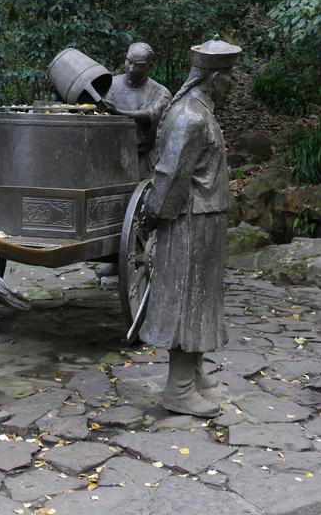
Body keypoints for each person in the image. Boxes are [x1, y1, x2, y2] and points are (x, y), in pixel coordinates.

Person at [139, 35, 241, 418]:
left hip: (205, 219)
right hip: (189, 222)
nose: (230, 83)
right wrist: (155, 217)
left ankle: (193, 372)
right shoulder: (191, 116)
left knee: (201, 296)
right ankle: (178, 388)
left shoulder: (200, 112)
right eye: (228, 76)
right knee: (186, 298)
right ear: (212, 78)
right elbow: (169, 176)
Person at [95, 42, 170, 278]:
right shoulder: (111, 85)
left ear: (148, 66)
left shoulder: (160, 92)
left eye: (137, 65)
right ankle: (113, 258)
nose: (130, 67)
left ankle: (140, 258)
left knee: (142, 209)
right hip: (113, 157)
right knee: (111, 208)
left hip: (143, 157)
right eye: (128, 61)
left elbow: (150, 116)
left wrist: (119, 113)